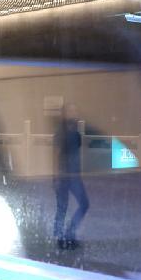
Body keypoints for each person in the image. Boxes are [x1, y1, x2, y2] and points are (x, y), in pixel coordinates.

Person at [53, 103, 90, 250]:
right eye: (70, 111)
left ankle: (69, 233)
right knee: (62, 208)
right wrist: (56, 176)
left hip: (74, 176)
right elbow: (55, 155)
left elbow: (77, 153)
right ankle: (60, 238)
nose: (74, 113)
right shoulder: (60, 133)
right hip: (63, 176)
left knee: (84, 204)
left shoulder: (76, 132)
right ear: (64, 114)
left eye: (75, 110)